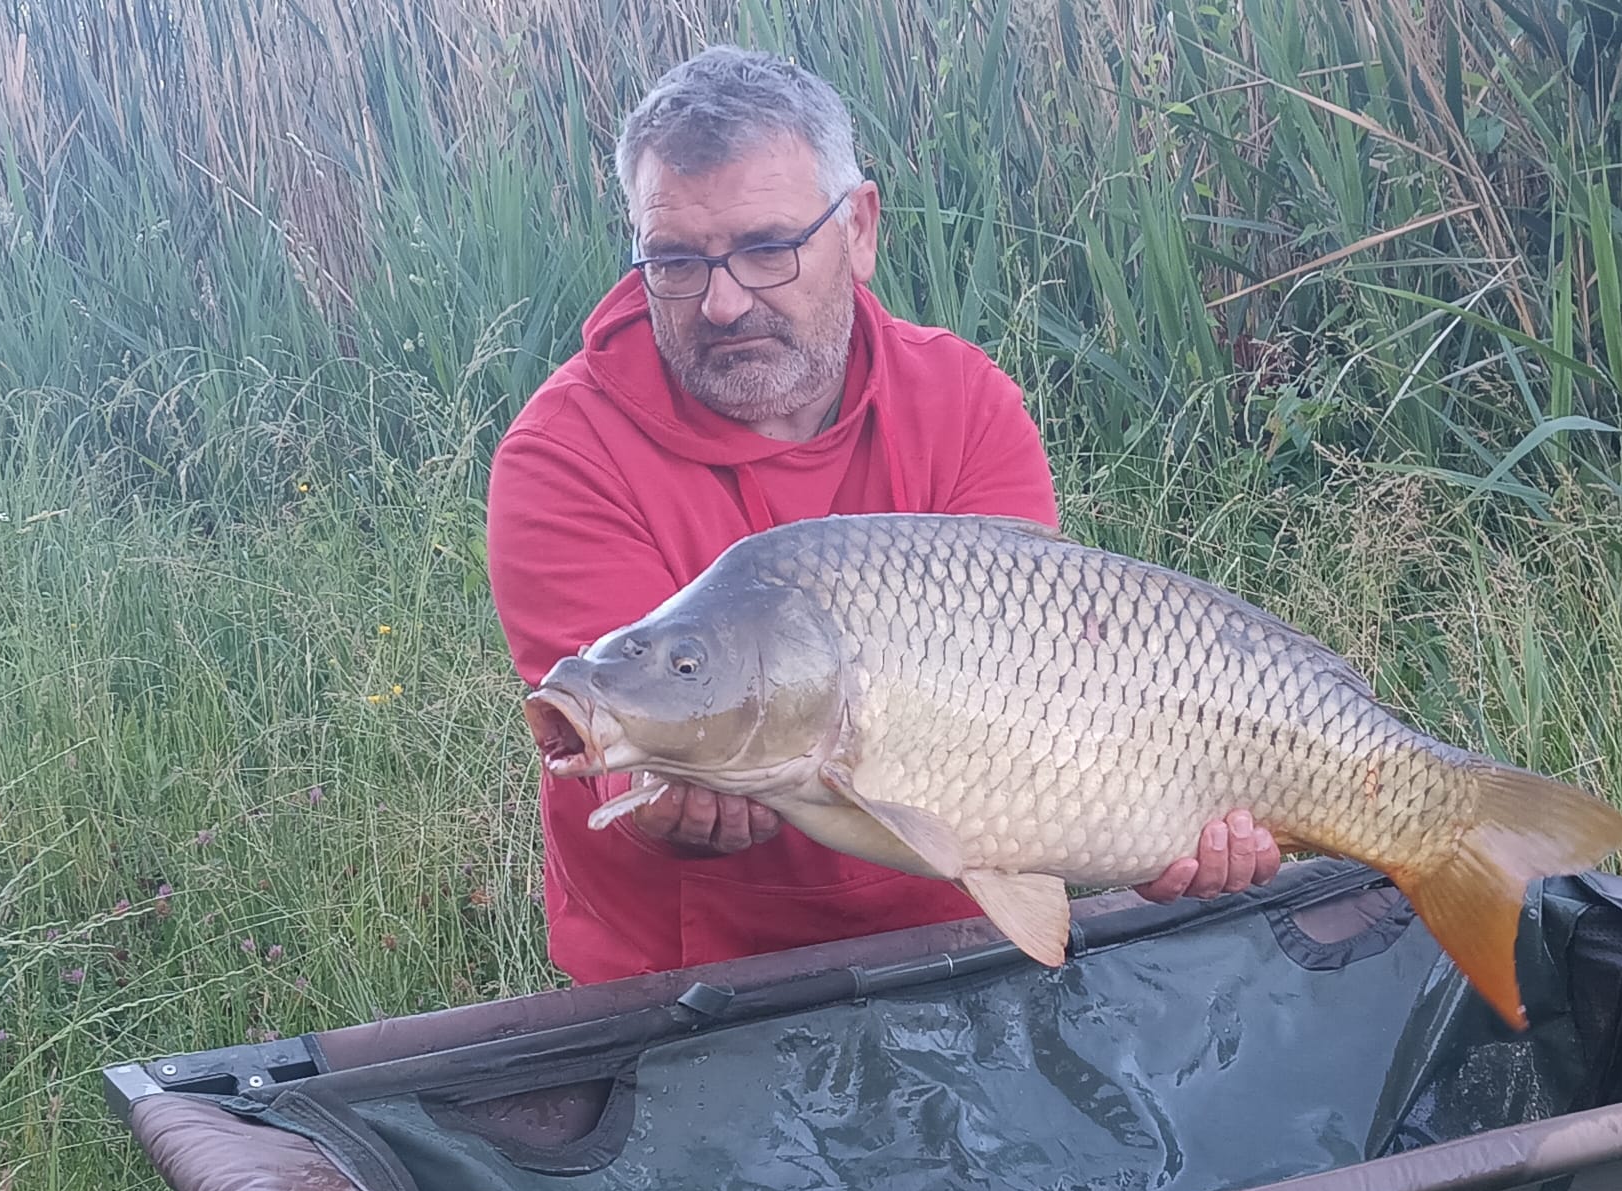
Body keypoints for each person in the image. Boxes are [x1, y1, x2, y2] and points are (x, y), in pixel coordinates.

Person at [487, 44, 1281, 986]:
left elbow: (1045, 718)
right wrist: (656, 795)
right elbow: (617, 735)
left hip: (960, 938)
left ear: (859, 228)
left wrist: (1153, 831)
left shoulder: (964, 402)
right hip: (690, 976)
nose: (724, 301)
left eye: (767, 248)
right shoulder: (564, 455)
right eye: (676, 261)